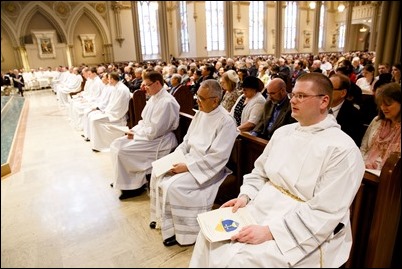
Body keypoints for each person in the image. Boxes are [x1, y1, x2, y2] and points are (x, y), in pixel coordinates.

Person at [189, 73, 365, 268]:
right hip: (262, 206)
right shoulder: (283, 133)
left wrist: (271, 232)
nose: (294, 100)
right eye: (294, 94)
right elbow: (259, 172)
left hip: (303, 228)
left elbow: (325, 211)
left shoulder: (343, 149)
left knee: (241, 259)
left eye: (302, 96)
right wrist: (246, 196)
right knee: (209, 236)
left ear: (324, 101)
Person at [149, 79, 238, 247]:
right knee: (157, 172)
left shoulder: (226, 122)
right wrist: (174, 159)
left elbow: (218, 157)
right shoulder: (200, 114)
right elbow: (186, 142)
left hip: (208, 169)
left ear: (215, 100)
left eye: (201, 99)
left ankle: (181, 232)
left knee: (173, 187)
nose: (197, 101)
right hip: (189, 160)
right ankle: (162, 220)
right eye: (197, 96)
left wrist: (188, 167)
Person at [110, 71, 180, 200]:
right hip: (148, 136)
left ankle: (134, 186)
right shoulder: (154, 97)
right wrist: (134, 131)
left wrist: (136, 135)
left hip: (161, 141)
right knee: (116, 144)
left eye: (147, 85)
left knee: (123, 150)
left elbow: (155, 131)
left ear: (158, 83)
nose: (145, 88)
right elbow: (144, 122)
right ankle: (123, 180)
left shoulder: (167, 102)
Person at [360, 82, 401, 170]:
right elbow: (364, 148)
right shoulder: (377, 121)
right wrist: (363, 166)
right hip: (366, 170)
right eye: (381, 104)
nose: (383, 108)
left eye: (388, 104)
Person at [329, 73, 364, 146]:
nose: (325, 92)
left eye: (330, 89)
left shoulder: (354, 115)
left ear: (343, 93)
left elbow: (352, 142)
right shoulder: (317, 107)